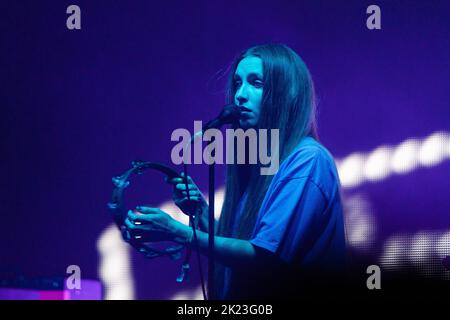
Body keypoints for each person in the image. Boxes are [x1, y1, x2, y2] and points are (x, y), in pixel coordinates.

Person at [123, 43, 346, 299]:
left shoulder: (308, 160)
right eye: (238, 83)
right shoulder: (260, 165)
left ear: (289, 94)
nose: (240, 94)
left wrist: (177, 231)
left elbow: (263, 257)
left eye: (256, 83)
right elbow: (244, 247)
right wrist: (201, 213)